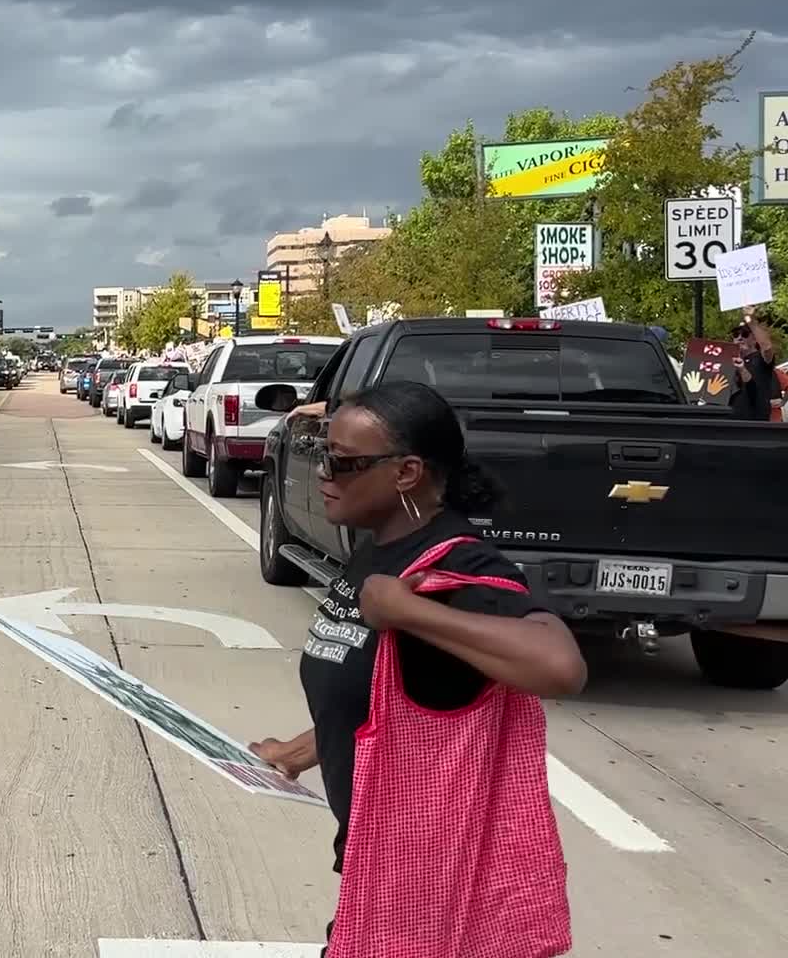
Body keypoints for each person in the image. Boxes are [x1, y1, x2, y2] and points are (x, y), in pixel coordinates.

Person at [250, 380, 585, 955]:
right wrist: (301, 752)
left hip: (428, 882)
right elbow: (388, 692)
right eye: (321, 454)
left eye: (343, 461)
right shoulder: (377, 548)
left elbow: (560, 667)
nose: (324, 472)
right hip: (377, 863)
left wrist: (407, 611)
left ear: (406, 473)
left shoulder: (457, 564)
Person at [728, 315, 779, 421]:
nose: (739, 337)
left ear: (755, 339)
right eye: (736, 335)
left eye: (745, 334)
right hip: (730, 422)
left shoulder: (761, 359)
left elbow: (767, 347)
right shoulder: (728, 363)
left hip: (755, 423)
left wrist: (750, 319)